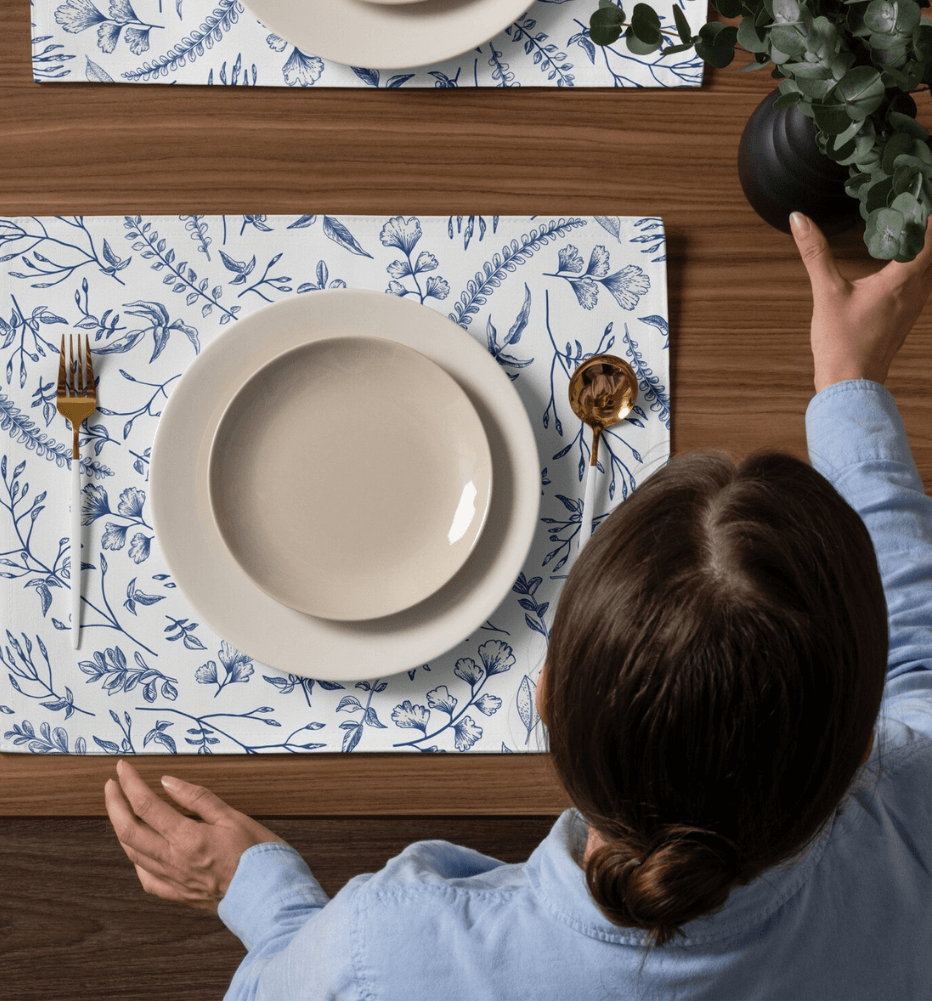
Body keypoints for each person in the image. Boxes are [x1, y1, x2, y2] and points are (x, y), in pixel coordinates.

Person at [104, 212, 932, 1000]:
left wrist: (264, 900)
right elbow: (918, 661)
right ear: (861, 747)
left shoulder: (383, 954)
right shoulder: (913, 811)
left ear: (545, 700)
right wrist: (849, 386)